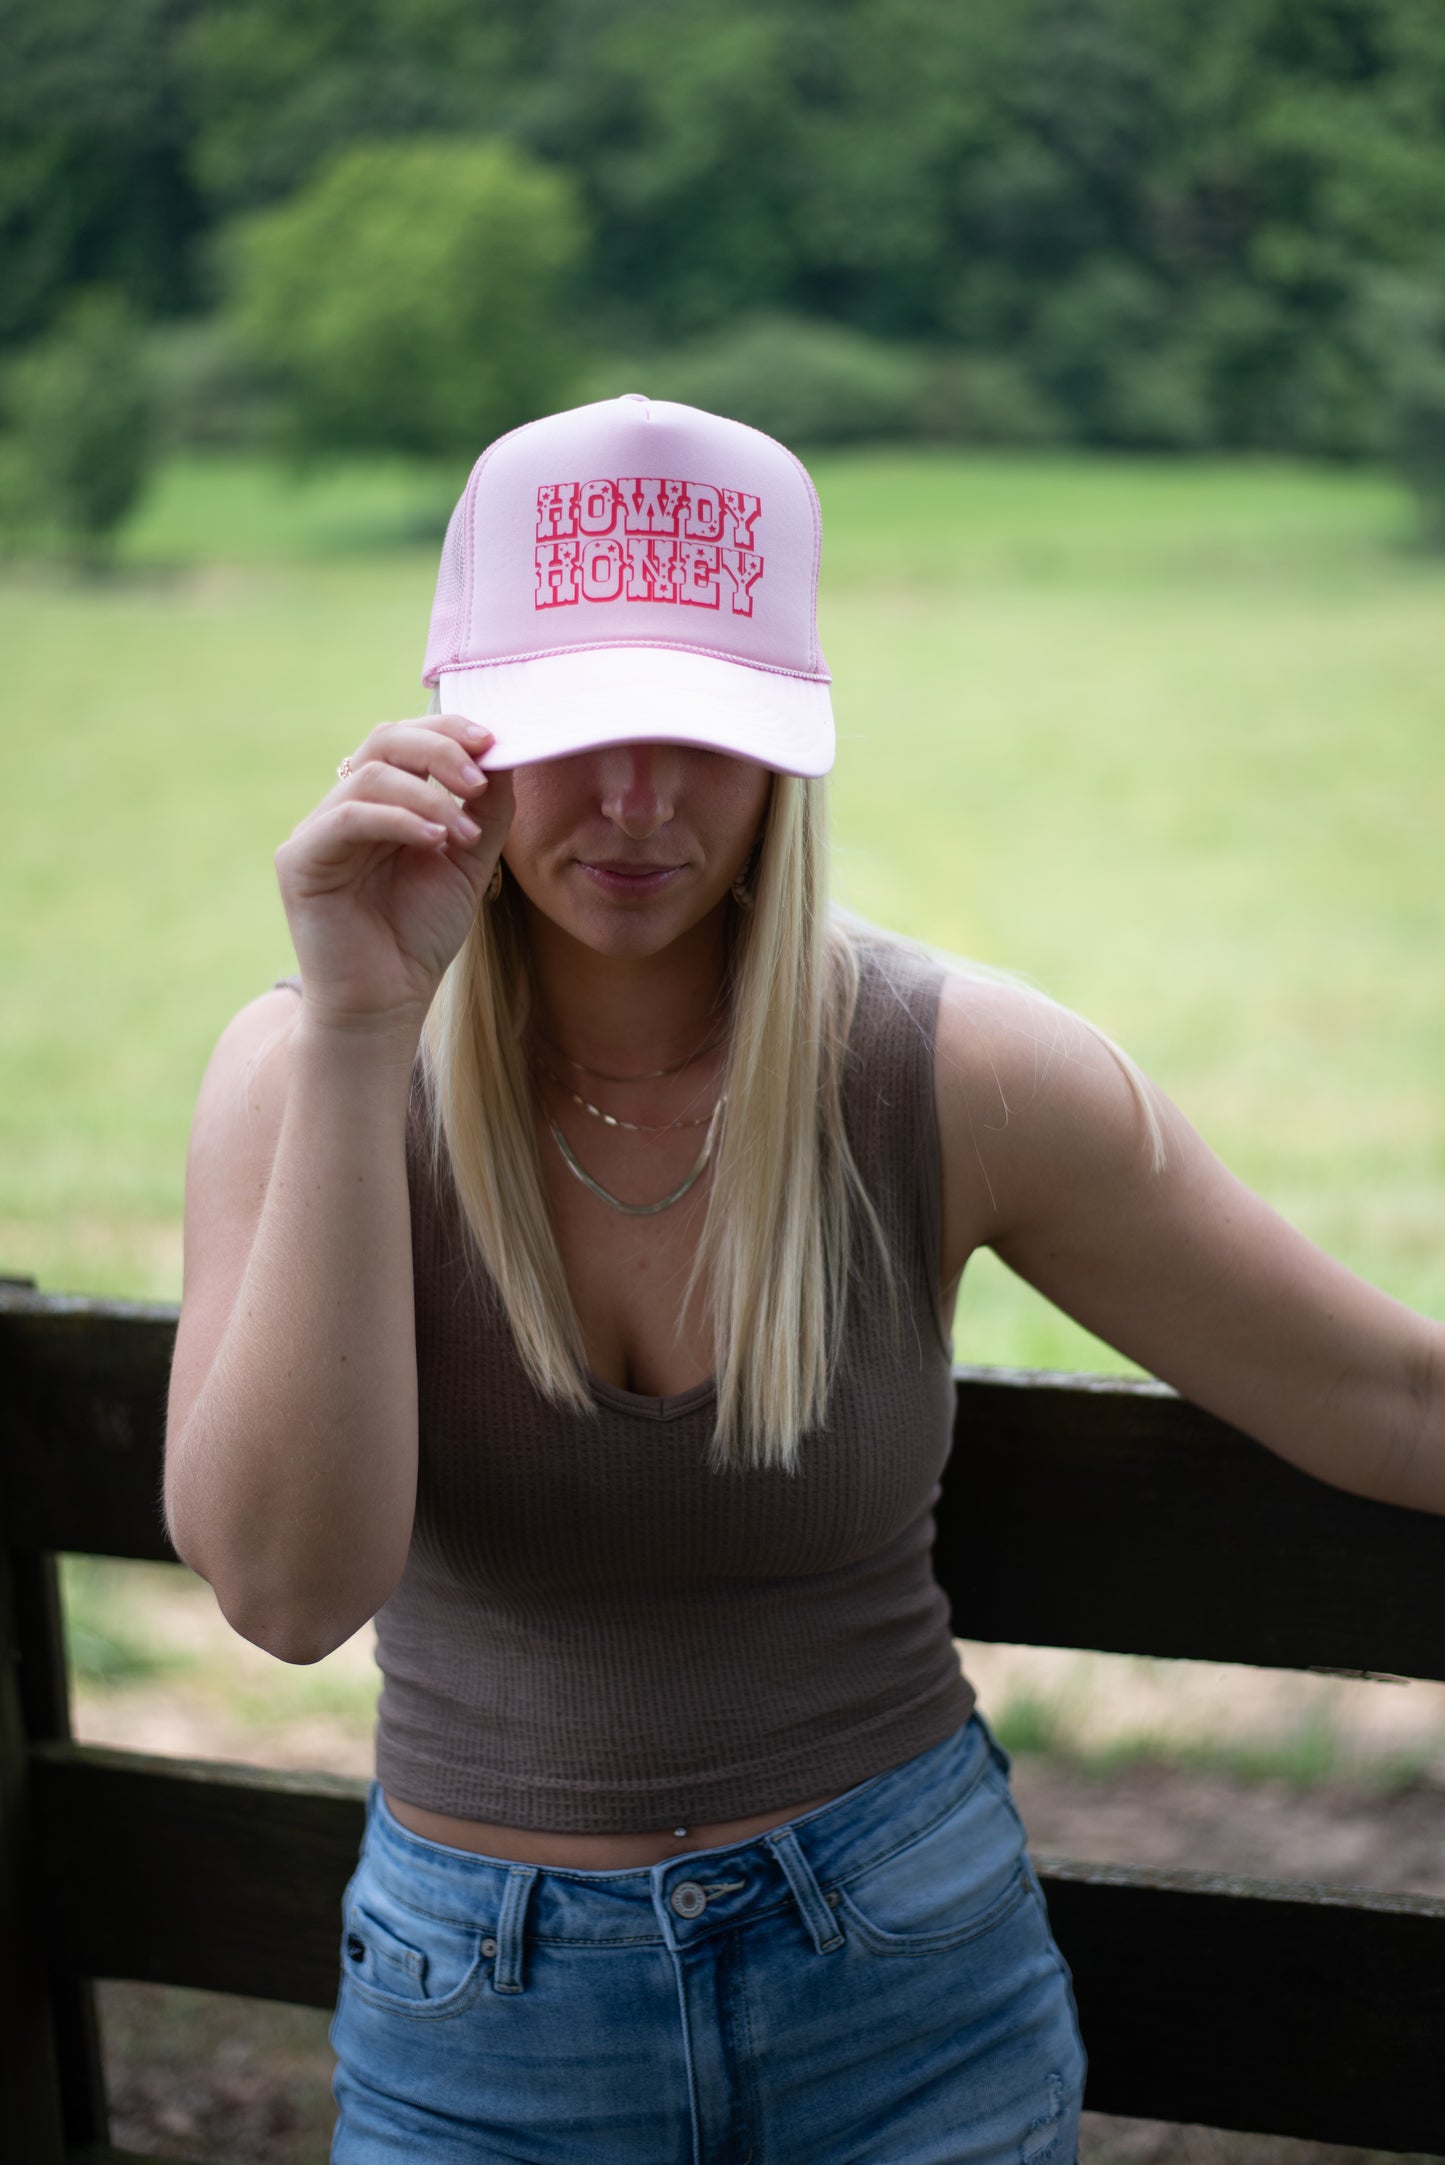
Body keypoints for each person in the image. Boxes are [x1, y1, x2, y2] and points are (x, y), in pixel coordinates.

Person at [162, 394, 1445, 2165]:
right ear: (457, 731)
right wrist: (364, 1023)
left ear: (791, 750)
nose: (635, 799)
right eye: (575, 727)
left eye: (702, 730)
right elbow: (288, 1593)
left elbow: (1390, 1399)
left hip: (906, 1982)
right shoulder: (305, 1073)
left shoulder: (954, 1072)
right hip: (483, 2020)